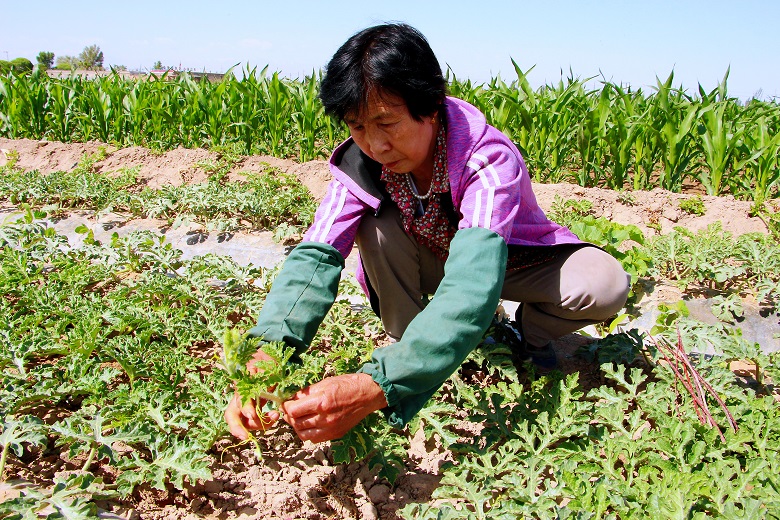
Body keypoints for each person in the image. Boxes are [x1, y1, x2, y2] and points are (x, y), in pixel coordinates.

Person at [224, 23, 629, 444]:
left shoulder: (485, 157)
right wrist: (264, 355)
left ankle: (526, 335)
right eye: (357, 126)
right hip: (429, 258)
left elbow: (472, 283)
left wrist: (376, 384)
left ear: (432, 106)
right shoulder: (359, 167)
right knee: (374, 225)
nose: (374, 145)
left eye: (386, 123)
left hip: (506, 261)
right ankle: (411, 347)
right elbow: (316, 257)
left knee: (604, 283)